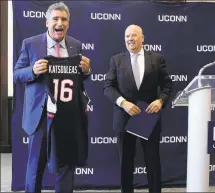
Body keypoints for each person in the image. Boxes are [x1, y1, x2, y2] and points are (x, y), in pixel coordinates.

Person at [13, 2, 91, 192]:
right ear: (46, 22)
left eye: (64, 19)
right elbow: (16, 75)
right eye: (55, 18)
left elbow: (77, 78)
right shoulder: (30, 44)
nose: (59, 22)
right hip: (40, 117)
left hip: (67, 116)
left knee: (65, 164)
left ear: (68, 23)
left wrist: (87, 71)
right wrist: (32, 70)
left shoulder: (76, 45)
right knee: (35, 166)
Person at [104, 24, 173, 193]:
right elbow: (108, 87)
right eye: (127, 36)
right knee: (125, 163)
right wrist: (123, 103)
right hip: (124, 117)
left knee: (153, 161)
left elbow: (167, 86)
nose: (130, 39)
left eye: (134, 35)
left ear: (142, 38)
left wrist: (160, 101)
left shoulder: (157, 59)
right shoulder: (116, 60)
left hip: (148, 117)